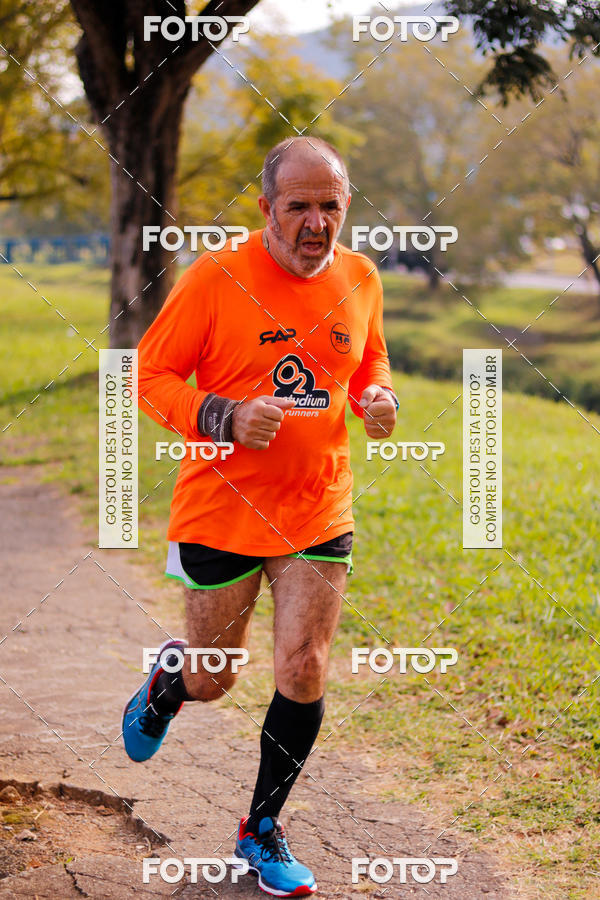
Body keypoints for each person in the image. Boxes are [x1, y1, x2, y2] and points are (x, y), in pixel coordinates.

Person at [123, 136, 398, 897]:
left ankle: (261, 828)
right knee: (216, 678)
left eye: (330, 207)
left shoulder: (361, 276)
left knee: (304, 665)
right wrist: (222, 413)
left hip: (319, 507)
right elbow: (147, 376)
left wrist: (377, 399)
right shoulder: (217, 277)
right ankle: (167, 684)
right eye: (299, 206)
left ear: (346, 207)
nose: (316, 223)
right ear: (265, 208)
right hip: (222, 510)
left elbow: (368, 359)